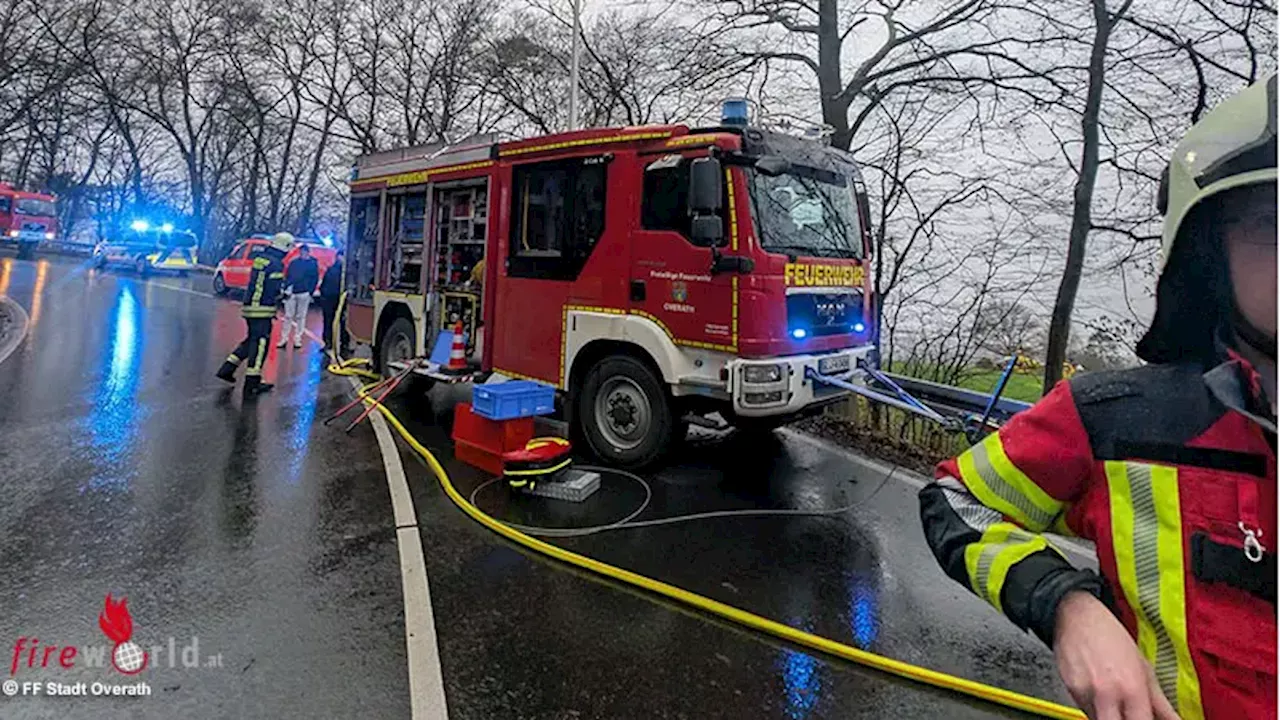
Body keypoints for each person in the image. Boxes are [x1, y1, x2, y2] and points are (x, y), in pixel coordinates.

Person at [919, 75, 1275, 720]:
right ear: (1209, 253)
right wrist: (1069, 606)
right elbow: (957, 500)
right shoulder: (1122, 421)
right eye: (1274, 223)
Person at [216, 232, 291, 396]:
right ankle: (252, 383)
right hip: (262, 310)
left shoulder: (260, 258)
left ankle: (227, 369)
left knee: (251, 341)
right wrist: (282, 295)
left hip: (250, 306)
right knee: (260, 345)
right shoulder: (276, 264)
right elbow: (273, 289)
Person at [279, 242, 319, 349]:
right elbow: (288, 276)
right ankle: (284, 338)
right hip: (292, 292)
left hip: (303, 292)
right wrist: (287, 287)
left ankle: (297, 339)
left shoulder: (312, 264)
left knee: (301, 316)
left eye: (304, 252)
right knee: (288, 316)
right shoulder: (294, 263)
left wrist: (309, 291)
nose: (303, 253)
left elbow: (314, 279)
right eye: (301, 251)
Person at [318, 249, 349, 357]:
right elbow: (325, 283)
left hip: (342, 299)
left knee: (344, 323)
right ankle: (328, 343)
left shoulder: (348, 271)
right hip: (329, 299)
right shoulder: (331, 269)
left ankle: (344, 345)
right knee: (328, 321)